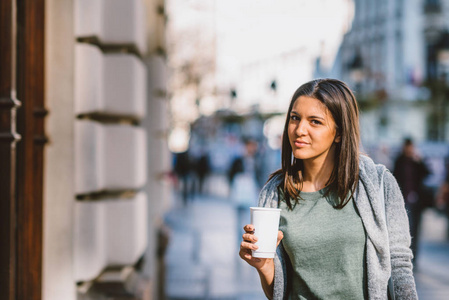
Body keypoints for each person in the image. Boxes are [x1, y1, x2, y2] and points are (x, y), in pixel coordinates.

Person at [238, 79, 417, 299]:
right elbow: (279, 292)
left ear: (339, 133)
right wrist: (264, 266)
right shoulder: (275, 193)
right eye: (295, 118)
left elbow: (400, 267)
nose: (299, 130)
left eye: (315, 121)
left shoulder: (378, 183)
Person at [393, 138, 430, 266]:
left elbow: (427, 173)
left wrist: (419, 160)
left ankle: (415, 257)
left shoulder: (416, 161)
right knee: (405, 230)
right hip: (403, 201)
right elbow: (394, 177)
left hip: (417, 202)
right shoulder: (399, 161)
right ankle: (405, 257)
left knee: (416, 230)